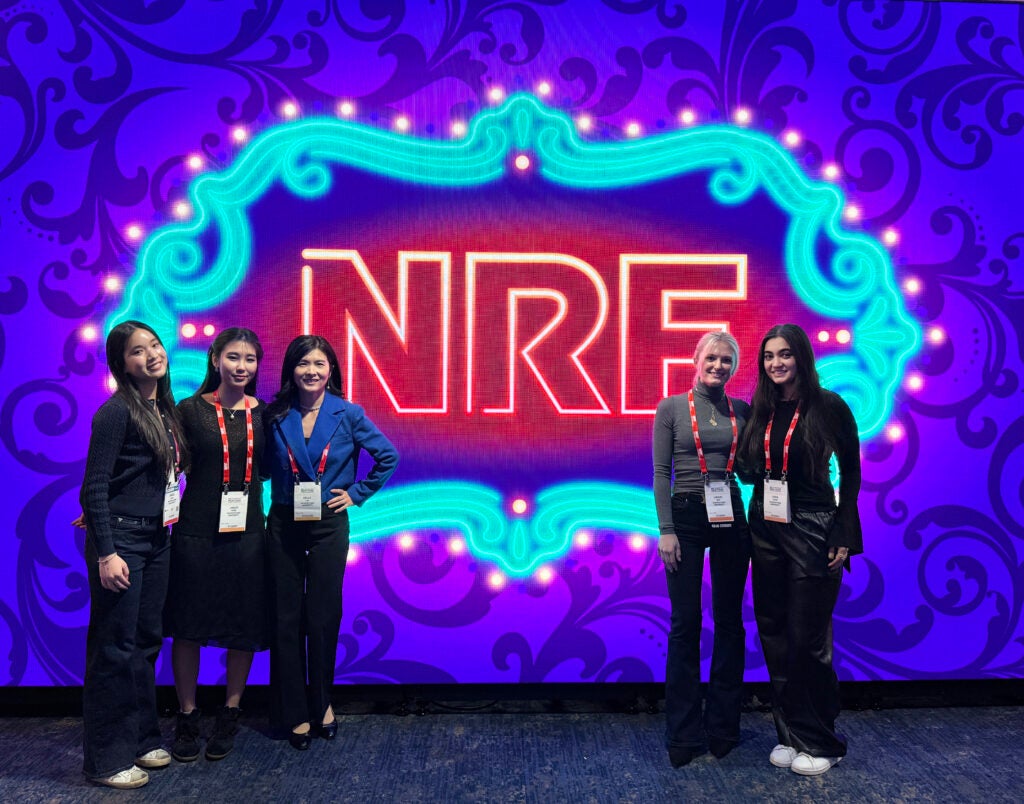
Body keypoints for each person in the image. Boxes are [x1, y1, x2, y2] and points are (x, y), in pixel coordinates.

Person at [737, 323, 862, 776]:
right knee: (773, 632)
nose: (776, 363)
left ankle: (823, 741)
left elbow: (851, 472)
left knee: (808, 639)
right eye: (769, 356)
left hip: (813, 526)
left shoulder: (829, 406)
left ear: (801, 357)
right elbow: (749, 470)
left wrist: (844, 532)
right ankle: (791, 734)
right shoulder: (762, 407)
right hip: (764, 526)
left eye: (785, 354)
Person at [264, 335, 398, 749]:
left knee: (322, 616)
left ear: (331, 370)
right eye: (303, 363)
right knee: (286, 618)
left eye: (319, 364)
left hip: (328, 525)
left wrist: (357, 493)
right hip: (284, 522)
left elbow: (388, 456)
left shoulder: (348, 413)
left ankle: (322, 704)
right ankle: (294, 711)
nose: (311, 371)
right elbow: (263, 465)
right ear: (291, 370)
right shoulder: (274, 413)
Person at [80, 321, 189, 789]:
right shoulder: (115, 412)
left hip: (158, 538)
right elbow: (94, 487)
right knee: (114, 648)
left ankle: (142, 739)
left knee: (145, 643)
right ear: (122, 364)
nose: (151, 355)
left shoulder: (163, 409)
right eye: (137, 351)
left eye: (155, 345)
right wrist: (106, 553)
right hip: (122, 542)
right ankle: (106, 759)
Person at [164, 328, 268, 762]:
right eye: (233, 357)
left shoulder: (266, 413)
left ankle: (230, 711)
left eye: (250, 359)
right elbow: (167, 464)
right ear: (215, 359)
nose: (241, 366)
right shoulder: (189, 410)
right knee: (187, 627)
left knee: (242, 626)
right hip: (196, 531)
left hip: (248, 533)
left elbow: (275, 467)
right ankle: (187, 714)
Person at [653, 331, 752, 768]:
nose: (718, 366)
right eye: (711, 358)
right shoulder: (671, 408)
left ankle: (723, 727)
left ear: (733, 367)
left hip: (730, 512)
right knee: (685, 623)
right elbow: (661, 473)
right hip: (686, 517)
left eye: (726, 361)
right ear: (696, 360)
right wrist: (666, 530)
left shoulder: (742, 410)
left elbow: (749, 468)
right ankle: (683, 732)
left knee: (729, 623)